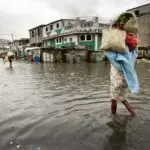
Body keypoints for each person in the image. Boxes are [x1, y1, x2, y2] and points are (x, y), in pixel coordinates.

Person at [105, 12, 139, 116]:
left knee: (114, 98)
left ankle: (113, 118)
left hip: (117, 75)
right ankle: (134, 115)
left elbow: (109, 53)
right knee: (123, 99)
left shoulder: (117, 43)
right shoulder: (133, 44)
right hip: (127, 76)